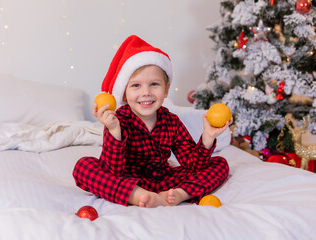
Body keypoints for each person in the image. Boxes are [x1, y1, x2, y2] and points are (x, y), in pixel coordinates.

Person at [73, 35, 231, 208]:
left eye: (154, 84)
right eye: (136, 86)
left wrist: (207, 137)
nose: (146, 92)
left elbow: (193, 165)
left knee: (219, 164)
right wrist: (113, 131)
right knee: (83, 167)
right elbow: (113, 171)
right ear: (124, 93)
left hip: (164, 180)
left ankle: (180, 194)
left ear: (166, 89)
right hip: (128, 180)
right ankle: (138, 196)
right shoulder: (118, 120)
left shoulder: (171, 121)